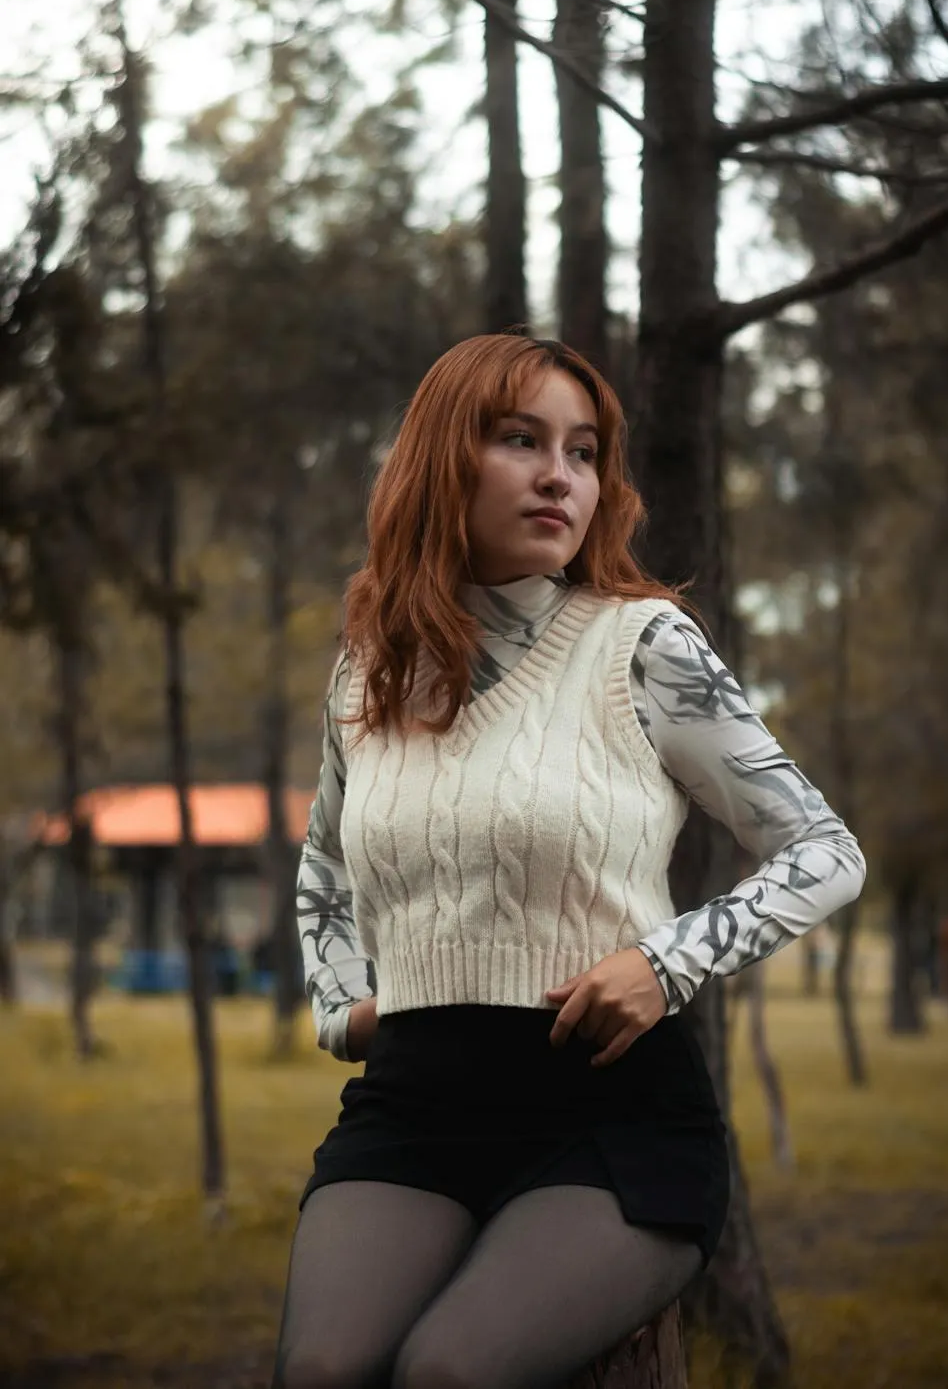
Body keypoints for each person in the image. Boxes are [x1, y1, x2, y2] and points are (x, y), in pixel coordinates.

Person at [273, 334, 866, 1389]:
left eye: (583, 452)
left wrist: (665, 963)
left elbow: (823, 850)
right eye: (520, 440)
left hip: (610, 1119)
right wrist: (341, 1005)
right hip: (413, 1109)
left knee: (449, 1375)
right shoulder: (370, 668)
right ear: (441, 462)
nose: (559, 475)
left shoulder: (640, 646)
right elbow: (323, 860)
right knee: (323, 1371)